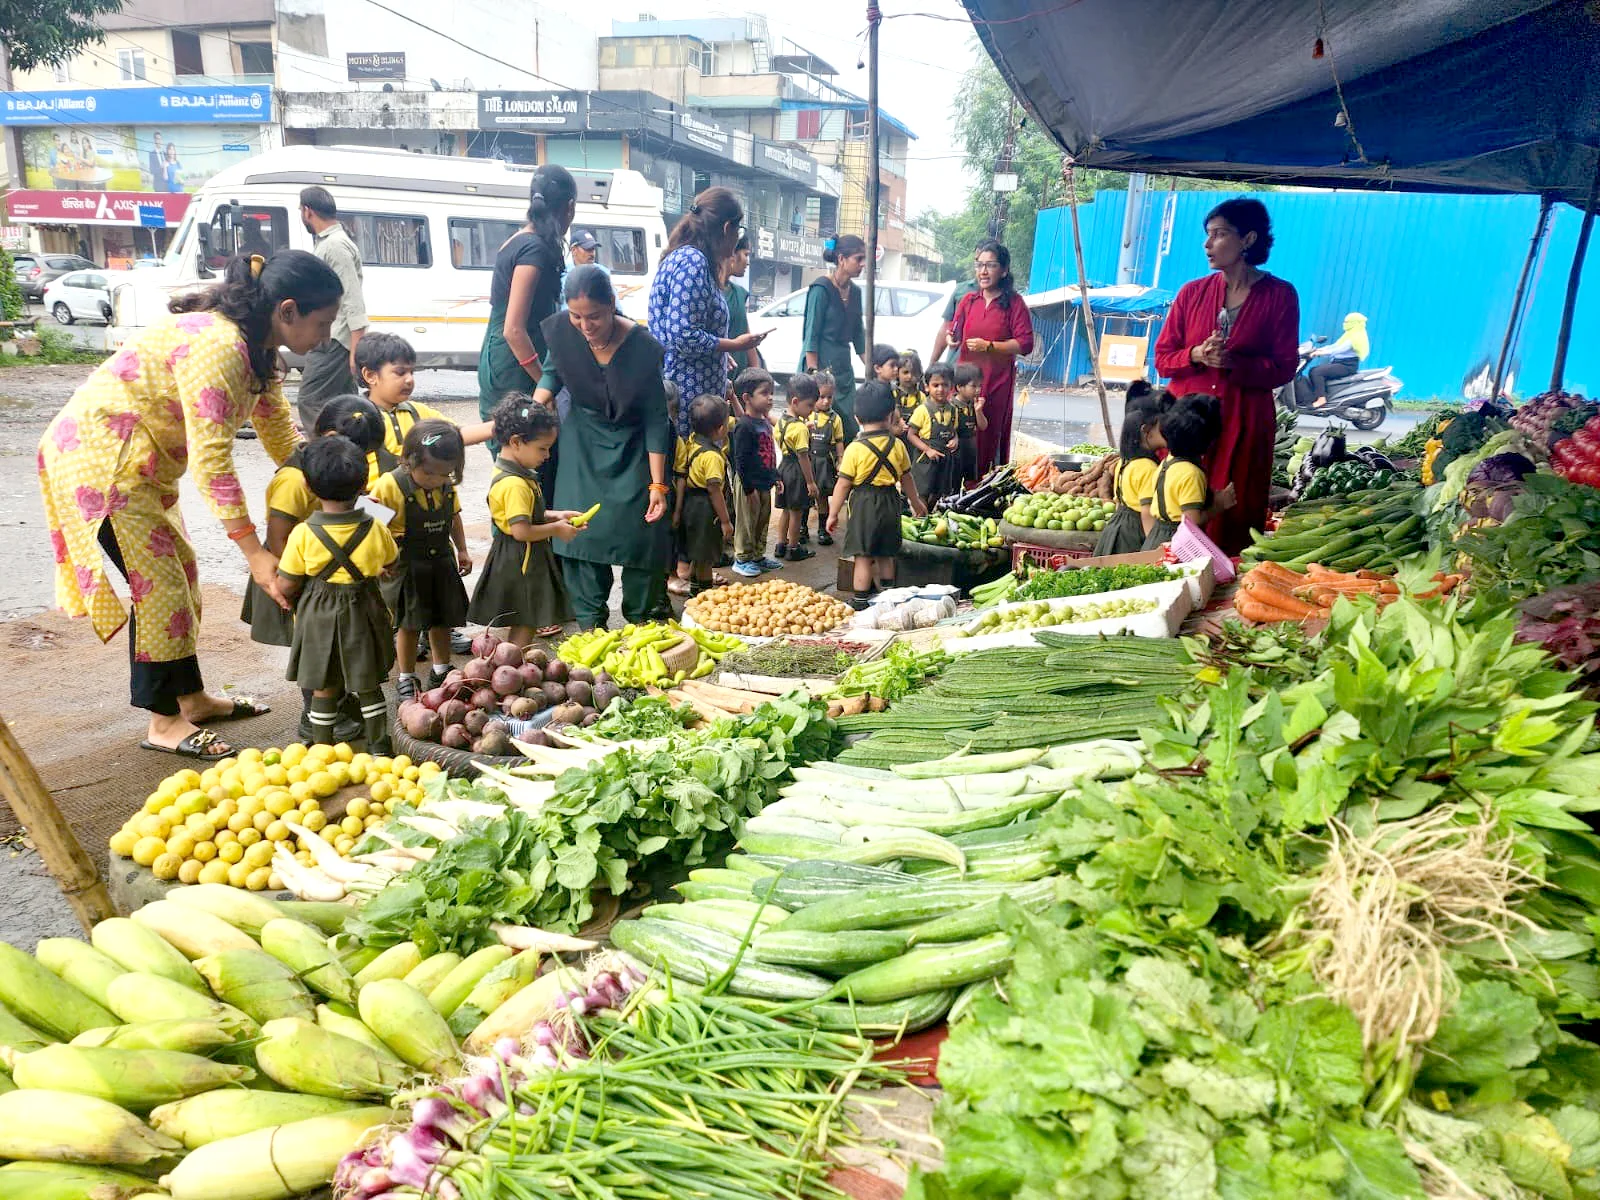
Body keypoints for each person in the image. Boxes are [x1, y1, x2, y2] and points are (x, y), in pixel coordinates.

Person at [39, 250, 340, 759]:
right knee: (159, 589)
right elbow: (212, 462)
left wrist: (336, 485)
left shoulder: (260, 350)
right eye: (323, 323)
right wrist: (254, 553)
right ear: (287, 310)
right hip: (103, 466)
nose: (327, 337)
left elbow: (278, 433)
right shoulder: (219, 346)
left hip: (144, 466)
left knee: (182, 576)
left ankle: (192, 699)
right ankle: (163, 722)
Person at [1153, 198, 1299, 554]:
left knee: (1235, 510)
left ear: (1248, 239)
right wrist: (1196, 354)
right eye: (1208, 235)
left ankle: (1227, 590)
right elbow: (1162, 358)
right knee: (1183, 509)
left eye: (1219, 234)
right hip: (1189, 428)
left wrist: (1236, 363)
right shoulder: (1192, 293)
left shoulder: (1280, 295)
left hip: (1244, 424)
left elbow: (1283, 366)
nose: (1208, 244)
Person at [532, 265, 673, 629]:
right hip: (582, 445)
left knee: (641, 537)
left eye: (594, 316)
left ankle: (641, 624)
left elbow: (657, 418)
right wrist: (536, 404)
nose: (585, 326)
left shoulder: (642, 347)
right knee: (582, 535)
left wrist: (658, 485)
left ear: (612, 304)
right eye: (577, 316)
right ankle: (590, 627)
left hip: (633, 449)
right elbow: (553, 372)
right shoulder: (564, 332)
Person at [277, 435, 398, 753]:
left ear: (308, 485)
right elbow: (391, 562)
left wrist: (285, 594)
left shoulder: (302, 533)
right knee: (368, 682)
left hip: (319, 615)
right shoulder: (375, 527)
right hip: (364, 609)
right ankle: (379, 746)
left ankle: (322, 750)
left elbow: (287, 583)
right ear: (362, 485)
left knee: (323, 684)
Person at [650, 187, 766, 439]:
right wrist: (731, 345)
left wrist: (720, 352)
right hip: (688, 400)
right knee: (695, 471)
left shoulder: (689, 259)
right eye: (739, 230)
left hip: (696, 394)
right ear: (727, 228)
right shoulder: (693, 262)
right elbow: (683, 335)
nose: (738, 238)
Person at [371, 420, 472, 700]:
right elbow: (369, 527)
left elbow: (454, 517)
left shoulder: (445, 486)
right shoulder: (389, 485)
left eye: (445, 474)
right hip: (404, 564)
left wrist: (461, 550)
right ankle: (406, 676)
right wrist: (376, 561)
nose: (436, 480)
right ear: (408, 459)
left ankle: (441, 669)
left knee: (441, 620)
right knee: (409, 623)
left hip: (441, 560)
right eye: (429, 473)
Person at [478, 164, 577, 450]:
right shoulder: (533, 250)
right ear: (569, 207)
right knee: (519, 445)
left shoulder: (518, 239)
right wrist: (544, 385)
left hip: (502, 354)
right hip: (514, 361)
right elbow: (513, 329)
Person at [467, 399, 578, 645]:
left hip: (520, 554)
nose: (547, 455)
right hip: (522, 558)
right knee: (526, 619)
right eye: (542, 448)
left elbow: (525, 515)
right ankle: (514, 666)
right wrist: (557, 530)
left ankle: (515, 665)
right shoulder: (514, 483)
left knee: (525, 618)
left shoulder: (517, 473)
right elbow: (521, 530)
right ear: (516, 442)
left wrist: (555, 514)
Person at [828, 381, 926, 609]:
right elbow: (907, 479)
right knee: (886, 552)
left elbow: (843, 485)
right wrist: (916, 501)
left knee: (863, 554)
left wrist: (833, 513)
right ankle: (889, 597)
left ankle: (861, 600)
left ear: (857, 417)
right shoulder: (898, 446)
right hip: (890, 501)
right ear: (892, 415)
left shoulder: (854, 448)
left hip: (863, 503)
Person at [950, 239, 1035, 477]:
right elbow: (954, 330)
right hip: (964, 382)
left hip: (996, 383)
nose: (983, 271)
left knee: (988, 435)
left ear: (1004, 270)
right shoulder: (968, 301)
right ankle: (955, 489)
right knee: (958, 433)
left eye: (991, 265)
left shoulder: (1014, 303)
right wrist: (951, 339)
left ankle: (984, 487)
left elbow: (1025, 344)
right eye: (979, 265)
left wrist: (989, 346)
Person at [357, 332, 489, 470]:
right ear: (370, 376)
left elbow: (456, 434)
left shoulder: (418, 412)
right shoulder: (358, 417)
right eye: (400, 372)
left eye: (411, 372)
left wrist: (497, 426)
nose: (409, 380)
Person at [296, 187, 367, 433]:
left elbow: (353, 300)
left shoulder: (335, 246)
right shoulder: (331, 242)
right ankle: (353, 454)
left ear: (308, 211)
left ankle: (325, 458)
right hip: (336, 336)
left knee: (310, 399)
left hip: (336, 339)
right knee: (346, 404)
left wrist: (355, 349)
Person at [1142, 396, 1236, 550]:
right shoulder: (1191, 473)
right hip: (1177, 543)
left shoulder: (1167, 462)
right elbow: (1192, 521)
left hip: (1156, 537)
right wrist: (1219, 504)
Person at [801, 234, 869, 438]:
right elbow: (810, 335)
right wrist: (814, 376)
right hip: (820, 365)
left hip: (843, 368)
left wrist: (872, 369)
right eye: (858, 258)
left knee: (848, 425)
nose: (863, 264)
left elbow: (859, 334)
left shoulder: (855, 292)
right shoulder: (820, 289)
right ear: (841, 259)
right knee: (820, 430)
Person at [1095, 381, 1170, 556]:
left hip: (1117, 526)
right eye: (1162, 427)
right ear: (1146, 432)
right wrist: (1152, 548)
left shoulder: (1125, 461)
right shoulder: (1148, 468)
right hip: (1134, 532)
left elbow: (1119, 502)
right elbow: (1146, 513)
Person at [676, 394, 735, 597]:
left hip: (690, 505)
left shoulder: (692, 441)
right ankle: (704, 596)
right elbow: (714, 490)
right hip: (705, 509)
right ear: (719, 429)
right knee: (706, 556)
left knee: (696, 551)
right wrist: (726, 521)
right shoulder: (711, 457)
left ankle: (695, 590)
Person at [729, 368, 782, 578]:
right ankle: (742, 559)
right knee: (746, 521)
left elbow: (770, 452)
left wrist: (775, 477)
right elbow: (740, 459)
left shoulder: (765, 423)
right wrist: (748, 489)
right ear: (747, 398)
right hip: (747, 483)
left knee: (762, 519)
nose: (770, 397)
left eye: (771, 392)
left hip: (764, 482)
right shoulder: (744, 426)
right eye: (764, 393)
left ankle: (758, 555)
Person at [773, 375, 820, 563]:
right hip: (796, 471)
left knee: (785, 509)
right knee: (797, 511)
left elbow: (787, 438)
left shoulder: (782, 421)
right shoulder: (800, 428)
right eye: (809, 405)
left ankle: (780, 545)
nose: (812, 410)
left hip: (783, 466)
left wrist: (803, 426)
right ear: (795, 401)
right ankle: (793, 547)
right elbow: (803, 456)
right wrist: (810, 482)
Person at [908, 366, 959, 507]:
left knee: (939, 491)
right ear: (927, 387)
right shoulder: (922, 410)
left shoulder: (953, 410)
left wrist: (955, 440)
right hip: (925, 460)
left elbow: (954, 432)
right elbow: (911, 435)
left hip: (944, 459)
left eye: (945, 385)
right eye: (935, 385)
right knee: (923, 491)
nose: (940, 389)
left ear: (951, 387)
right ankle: (921, 517)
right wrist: (927, 449)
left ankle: (929, 512)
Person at [1301, 312, 1369, 409]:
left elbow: (1340, 349)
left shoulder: (1356, 336)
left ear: (1355, 323)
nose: (1344, 324)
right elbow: (1336, 345)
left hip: (1347, 366)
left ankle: (1321, 399)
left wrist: (1321, 353)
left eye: (1347, 322)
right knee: (1313, 370)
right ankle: (1316, 395)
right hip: (1340, 363)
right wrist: (1318, 349)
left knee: (1317, 372)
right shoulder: (1350, 334)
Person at [807, 371, 843, 546]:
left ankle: (822, 529)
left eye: (830, 397)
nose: (826, 401)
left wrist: (840, 460)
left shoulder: (835, 419)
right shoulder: (807, 416)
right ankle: (801, 528)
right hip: (807, 462)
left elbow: (839, 442)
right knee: (804, 496)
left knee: (822, 496)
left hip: (824, 463)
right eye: (822, 397)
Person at [723, 233, 761, 374]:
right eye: (746, 254)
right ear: (732, 255)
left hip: (740, 375)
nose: (748, 261)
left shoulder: (739, 293)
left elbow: (745, 331)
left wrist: (757, 374)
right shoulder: (711, 293)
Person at [949, 362, 987, 490]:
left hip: (970, 448)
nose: (978, 390)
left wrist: (978, 411)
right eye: (973, 386)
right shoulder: (951, 406)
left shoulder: (974, 404)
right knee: (953, 482)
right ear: (959, 387)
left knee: (971, 481)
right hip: (956, 451)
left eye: (979, 386)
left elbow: (983, 426)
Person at [929, 277, 979, 365]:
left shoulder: (1005, 295)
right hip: (956, 362)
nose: (983, 270)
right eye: (979, 264)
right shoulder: (962, 290)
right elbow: (946, 326)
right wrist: (932, 364)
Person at [895, 351, 925, 424]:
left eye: (914, 373)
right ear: (897, 373)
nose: (909, 377)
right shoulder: (892, 394)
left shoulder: (921, 397)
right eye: (905, 372)